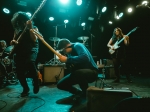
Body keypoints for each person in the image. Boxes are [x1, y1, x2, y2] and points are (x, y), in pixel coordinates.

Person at [56, 38, 98, 103]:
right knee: (60, 85)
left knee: (78, 73)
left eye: (64, 50)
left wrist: (67, 59)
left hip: (92, 72)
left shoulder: (77, 45)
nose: (64, 52)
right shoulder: (70, 54)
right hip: (79, 73)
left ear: (67, 46)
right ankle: (78, 92)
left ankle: (86, 93)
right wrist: (67, 62)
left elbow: (85, 58)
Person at [10, 11, 40, 97]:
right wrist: (13, 42)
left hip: (32, 49)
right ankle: (25, 88)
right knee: (19, 72)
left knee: (30, 62)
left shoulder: (34, 28)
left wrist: (30, 27)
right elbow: (13, 41)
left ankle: (36, 81)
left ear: (25, 20)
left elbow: (34, 39)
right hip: (20, 50)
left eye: (23, 21)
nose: (21, 23)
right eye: (19, 22)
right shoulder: (17, 30)